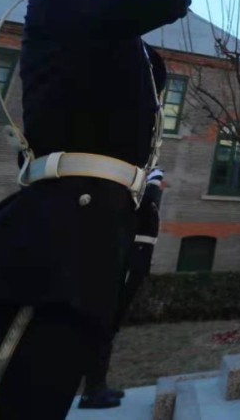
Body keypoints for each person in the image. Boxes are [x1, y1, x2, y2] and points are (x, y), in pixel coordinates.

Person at [0, 0, 191, 419]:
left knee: (48, 383)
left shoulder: (109, 30)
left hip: (98, 218)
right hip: (63, 222)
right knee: (13, 385)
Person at [79, 167, 167, 409]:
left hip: (134, 267)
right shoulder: (137, 205)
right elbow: (146, 208)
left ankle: (98, 385)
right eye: (156, 186)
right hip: (126, 266)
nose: (158, 191)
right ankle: (93, 390)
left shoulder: (143, 206)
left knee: (110, 328)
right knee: (105, 327)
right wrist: (150, 183)